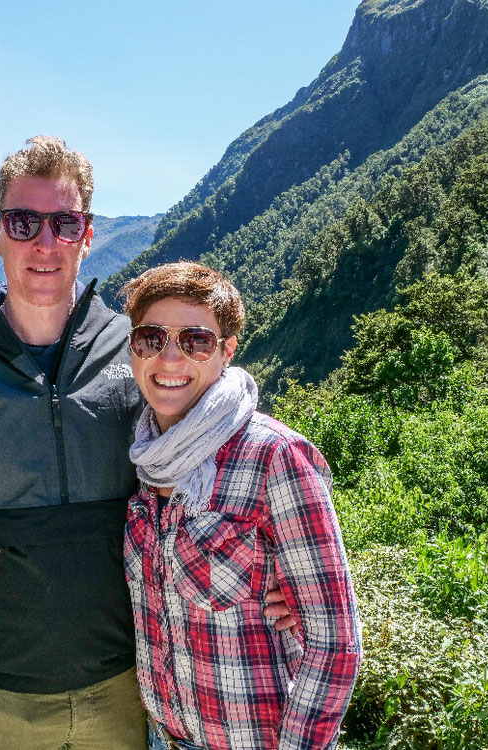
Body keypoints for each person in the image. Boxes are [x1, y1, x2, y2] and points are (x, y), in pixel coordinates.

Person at [0, 137, 298, 750]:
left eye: (63, 222)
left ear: (88, 234)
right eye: (24, 222)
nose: (44, 243)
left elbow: (210, 454)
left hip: (131, 686)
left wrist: (275, 572)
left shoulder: (138, 350)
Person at [120, 262, 362, 750]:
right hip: (162, 738)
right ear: (134, 347)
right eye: (151, 338)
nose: (170, 359)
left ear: (226, 351)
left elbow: (335, 642)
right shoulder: (143, 461)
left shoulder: (274, 457)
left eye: (196, 341)